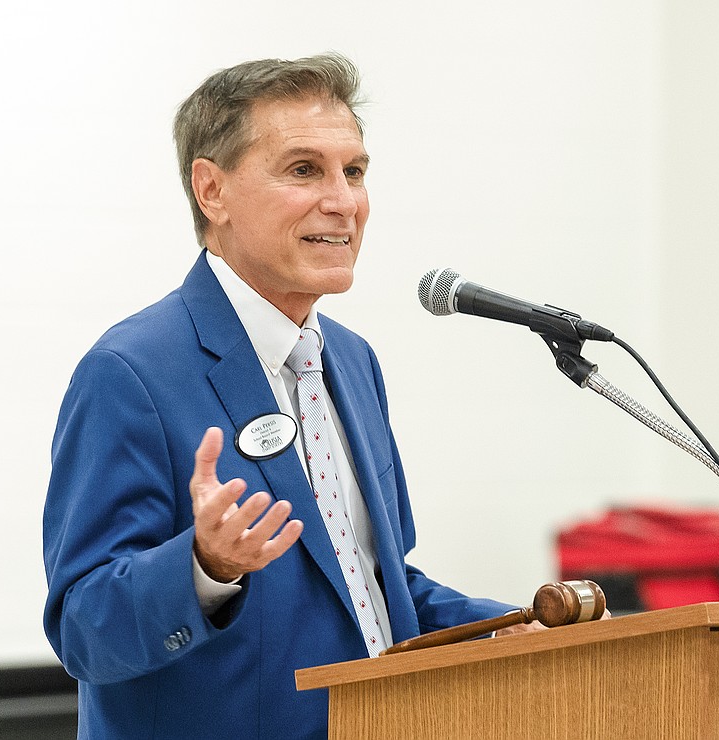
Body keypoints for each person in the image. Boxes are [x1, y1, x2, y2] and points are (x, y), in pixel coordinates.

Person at [42, 53, 531, 739]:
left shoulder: (351, 361)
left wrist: (520, 628)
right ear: (211, 190)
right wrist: (203, 568)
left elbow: (369, 586)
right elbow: (84, 630)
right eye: (304, 170)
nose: (343, 201)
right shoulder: (131, 372)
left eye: (354, 172)